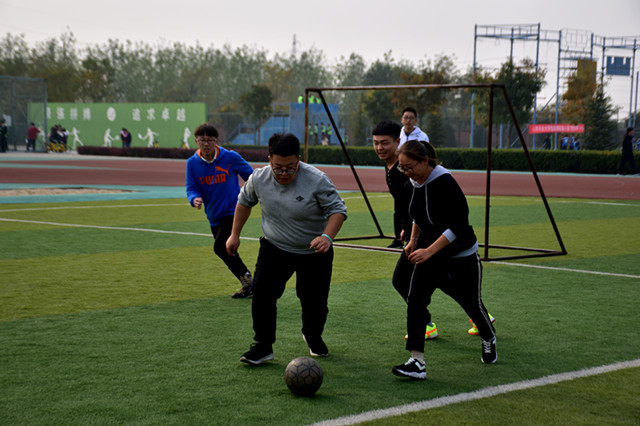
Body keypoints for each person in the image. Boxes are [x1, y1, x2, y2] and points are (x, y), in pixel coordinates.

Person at [227, 132, 347, 365]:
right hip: (275, 247)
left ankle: (312, 335)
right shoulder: (258, 178)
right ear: (269, 159)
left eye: (290, 168)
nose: (284, 174)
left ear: (299, 160)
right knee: (262, 293)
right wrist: (234, 235)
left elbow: (338, 211)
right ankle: (263, 346)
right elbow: (244, 202)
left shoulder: (317, 179)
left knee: (315, 302)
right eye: (278, 168)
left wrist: (327, 237)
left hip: (314, 251)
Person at [391, 140, 497, 380]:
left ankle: (488, 336)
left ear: (425, 161)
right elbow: (417, 214)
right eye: (402, 168)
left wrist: (430, 251)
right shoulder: (413, 182)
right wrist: (414, 240)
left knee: (470, 303)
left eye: (410, 167)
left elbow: (458, 225)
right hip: (430, 251)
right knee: (416, 300)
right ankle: (416, 361)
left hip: (460, 254)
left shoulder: (445, 182)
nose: (406, 173)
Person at [372, 121, 439, 340]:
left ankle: (426, 323)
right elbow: (402, 203)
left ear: (398, 142)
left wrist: (411, 230)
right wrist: (402, 227)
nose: (380, 148)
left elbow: (417, 202)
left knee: (403, 280)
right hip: (413, 232)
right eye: (375, 143)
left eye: (385, 143)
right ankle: (479, 316)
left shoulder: (405, 170)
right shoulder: (391, 166)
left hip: (425, 233)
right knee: (443, 281)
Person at [185, 123, 255, 298]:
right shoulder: (192, 164)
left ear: (216, 141)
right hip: (213, 215)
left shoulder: (229, 157)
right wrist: (194, 198)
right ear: (196, 141)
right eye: (202, 141)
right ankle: (249, 285)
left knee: (220, 247)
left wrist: (251, 195)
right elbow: (191, 187)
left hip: (233, 210)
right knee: (229, 250)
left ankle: (249, 281)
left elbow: (252, 177)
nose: (206, 144)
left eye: (210, 140)